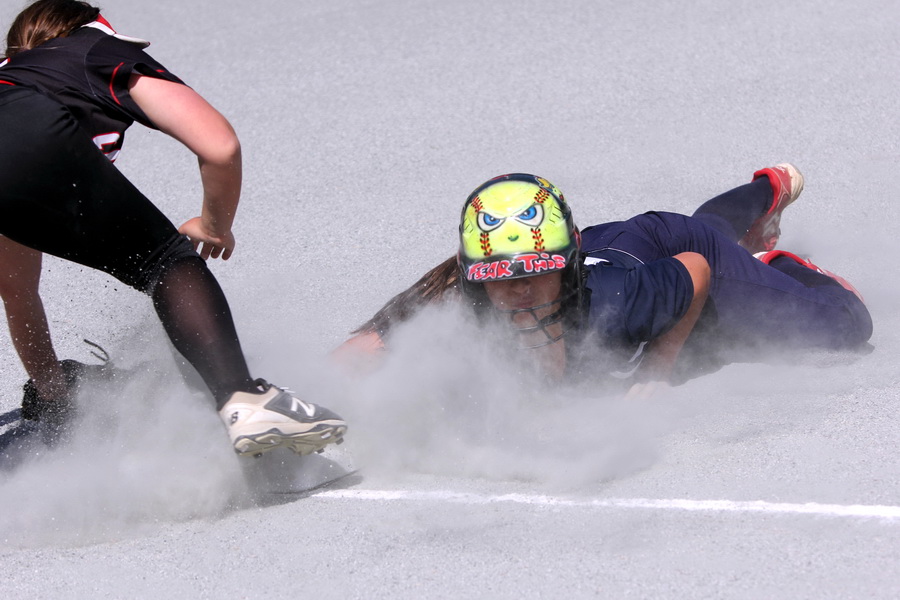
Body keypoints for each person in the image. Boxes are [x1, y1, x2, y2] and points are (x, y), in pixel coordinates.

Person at [0, 0, 346, 455]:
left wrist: (53, 392)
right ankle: (245, 401)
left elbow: (17, 288)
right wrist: (214, 225)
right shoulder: (90, 47)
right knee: (163, 261)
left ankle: (55, 399)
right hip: (33, 129)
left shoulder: (14, 81)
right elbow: (219, 145)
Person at [336, 165, 873, 395]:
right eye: (499, 278)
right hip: (624, 247)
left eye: (536, 272)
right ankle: (766, 189)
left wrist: (658, 372)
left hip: (677, 255)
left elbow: (695, 268)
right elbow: (362, 351)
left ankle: (773, 261)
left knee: (844, 329)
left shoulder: (618, 300)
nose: (518, 290)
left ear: (566, 264)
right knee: (709, 232)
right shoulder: (462, 304)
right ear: (475, 277)